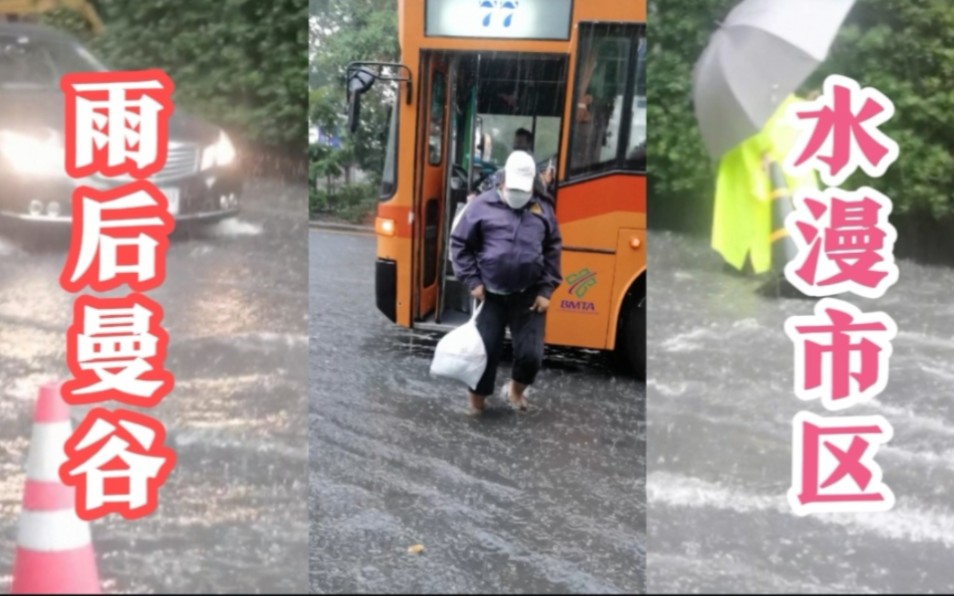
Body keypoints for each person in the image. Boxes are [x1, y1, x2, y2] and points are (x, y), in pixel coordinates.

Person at [450, 150, 563, 415]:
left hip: (528, 295)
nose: (519, 195)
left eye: (523, 190)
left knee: (531, 356)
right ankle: (476, 407)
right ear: (502, 181)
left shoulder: (542, 208)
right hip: (489, 294)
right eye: (514, 189)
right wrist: (472, 280)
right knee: (484, 353)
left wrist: (546, 289)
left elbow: (553, 249)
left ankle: (515, 390)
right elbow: (459, 244)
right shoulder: (481, 206)